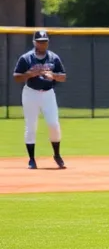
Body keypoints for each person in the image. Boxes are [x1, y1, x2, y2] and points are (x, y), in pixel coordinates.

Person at [12, 29, 67, 169]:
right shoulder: (26, 58)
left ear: (48, 42)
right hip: (31, 93)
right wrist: (29, 75)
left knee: (53, 124)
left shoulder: (54, 57)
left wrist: (53, 76)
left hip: (48, 94)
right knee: (31, 126)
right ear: (34, 42)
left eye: (45, 42)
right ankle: (31, 159)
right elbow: (16, 77)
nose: (42, 44)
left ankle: (57, 155)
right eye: (40, 42)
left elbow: (63, 77)